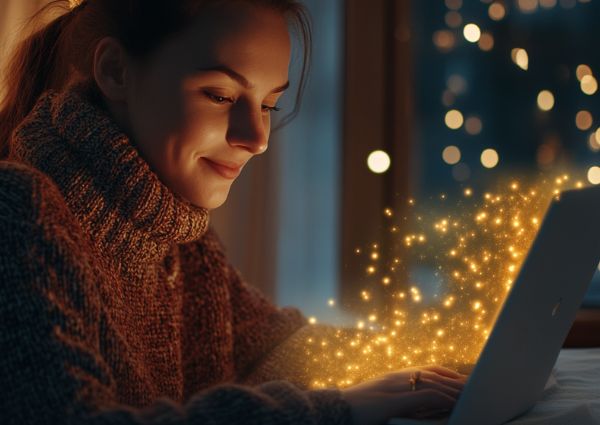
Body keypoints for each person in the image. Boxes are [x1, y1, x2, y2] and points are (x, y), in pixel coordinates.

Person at [0, 1, 466, 424]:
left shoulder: (180, 242)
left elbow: (274, 350)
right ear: (116, 70)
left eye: (269, 104)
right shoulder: (19, 212)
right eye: (220, 96)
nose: (257, 137)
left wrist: (456, 363)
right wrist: (334, 411)